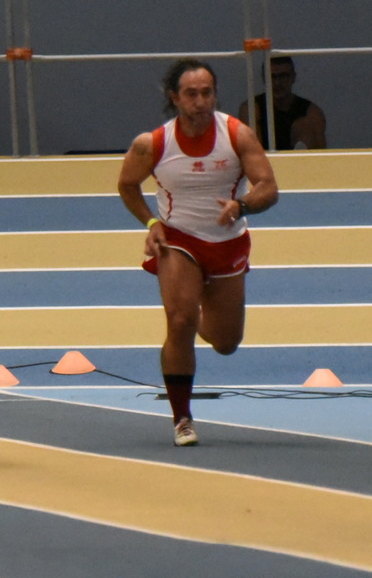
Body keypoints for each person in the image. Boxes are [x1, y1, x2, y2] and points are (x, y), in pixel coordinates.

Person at [118, 59, 278, 447]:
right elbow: (127, 184)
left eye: (207, 93)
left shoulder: (237, 135)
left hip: (227, 242)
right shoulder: (152, 144)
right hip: (178, 240)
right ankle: (182, 419)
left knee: (226, 343)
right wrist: (151, 223)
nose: (200, 101)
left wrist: (241, 205)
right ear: (175, 98)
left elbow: (268, 187)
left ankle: (202, 311)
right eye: (191, 94)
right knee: (179, 320)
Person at [237, 55, 325, 150]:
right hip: (262, 157)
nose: (277, 83)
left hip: (299, 158)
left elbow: (322, 152)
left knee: (304, 126)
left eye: (283, 76)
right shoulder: (252, 108)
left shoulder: (311, 112)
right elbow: (248, 149)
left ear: (293, 77)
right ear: (264, 79)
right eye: (272, 77)